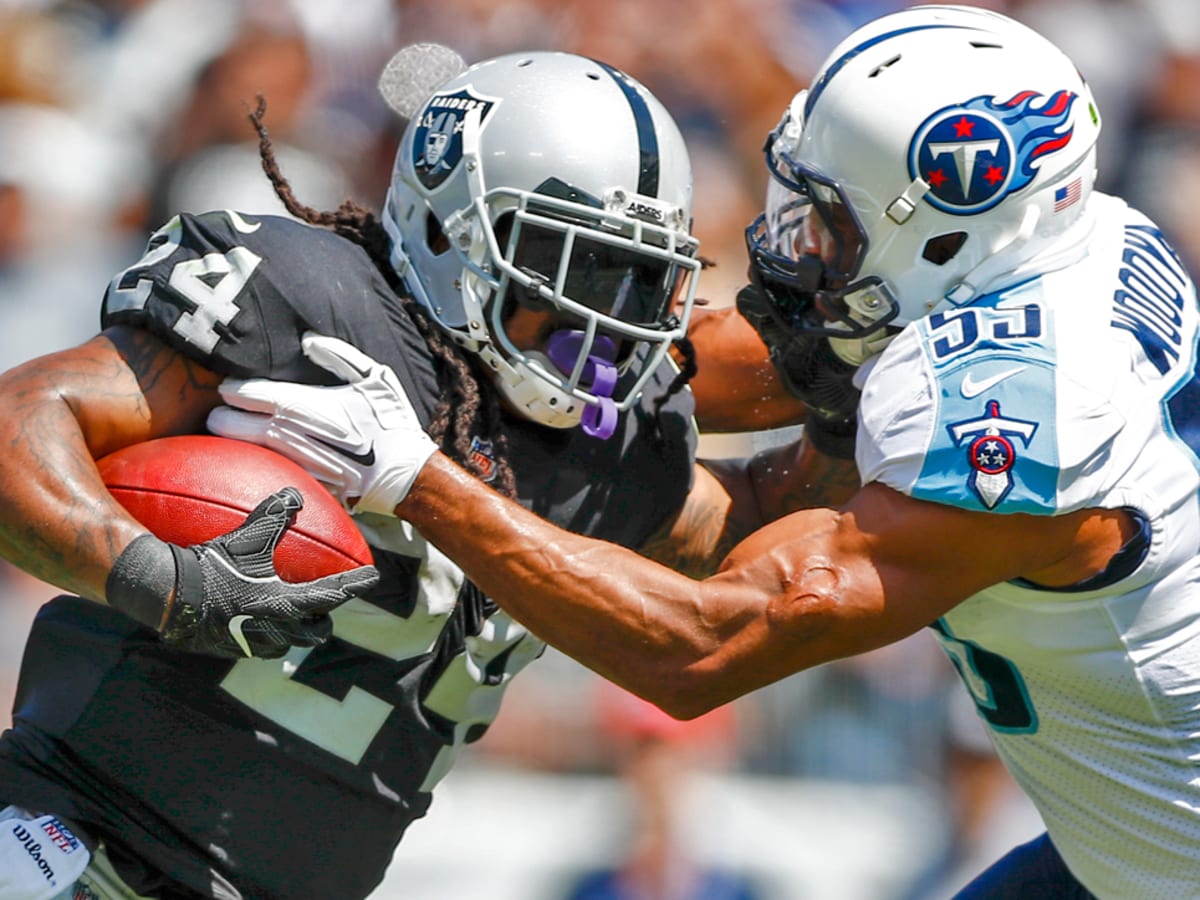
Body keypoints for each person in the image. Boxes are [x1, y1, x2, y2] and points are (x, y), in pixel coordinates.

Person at [213, 6, 1200, 897]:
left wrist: (420, 478)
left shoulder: (1019, 413)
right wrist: (466, 333)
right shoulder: (1029, 256)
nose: (803, 243)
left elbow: (704, 646)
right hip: (1114, 842)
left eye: (835, 221)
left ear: (945, 229)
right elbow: (681, 369)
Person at [0, 49, 826, 899]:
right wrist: (160, 578)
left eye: (638, 278)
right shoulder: (315, 310)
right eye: (573, 263)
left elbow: (752, 533)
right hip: (81, 853)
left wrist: (852, 389)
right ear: (450, 226)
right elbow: (17, 422)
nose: (604, 313)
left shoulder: (605, 437)